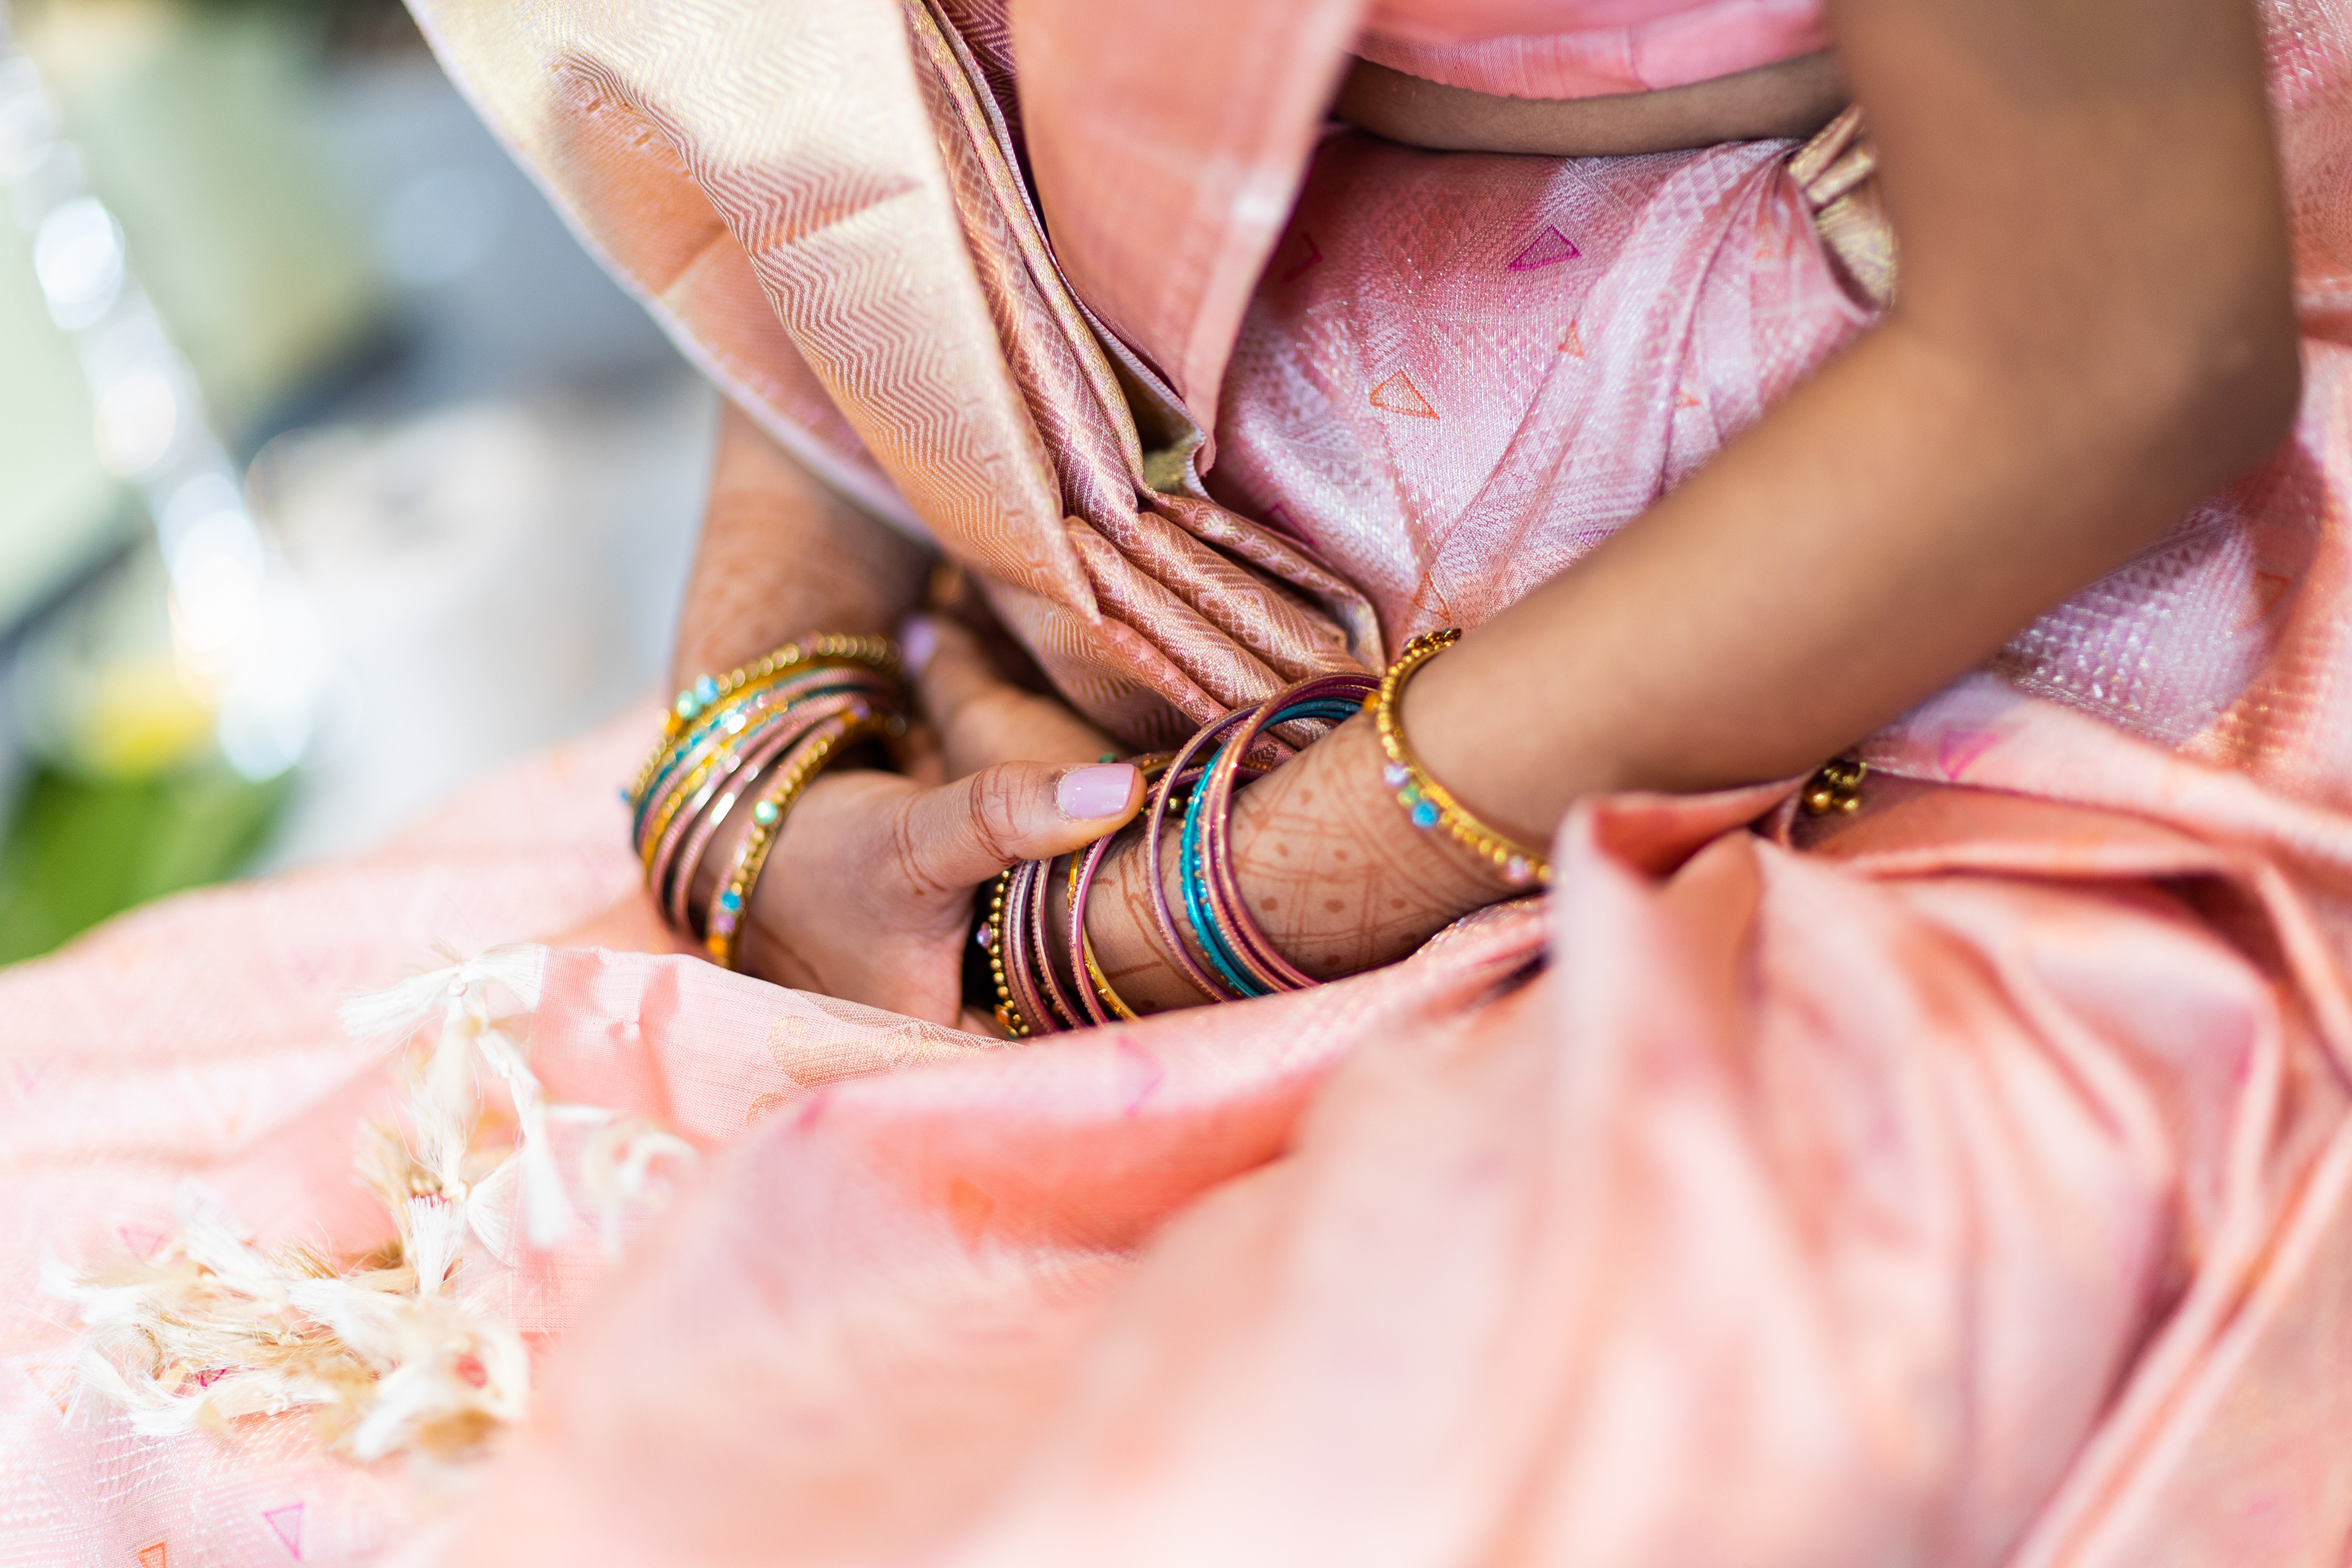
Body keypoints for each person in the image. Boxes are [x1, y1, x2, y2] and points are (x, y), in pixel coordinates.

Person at [6, 0, 2351, 1562]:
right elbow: (870, 96)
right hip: (1050, 625)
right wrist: (762, 745)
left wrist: (1167, 911)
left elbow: (2114, 340)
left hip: (1948, 661)